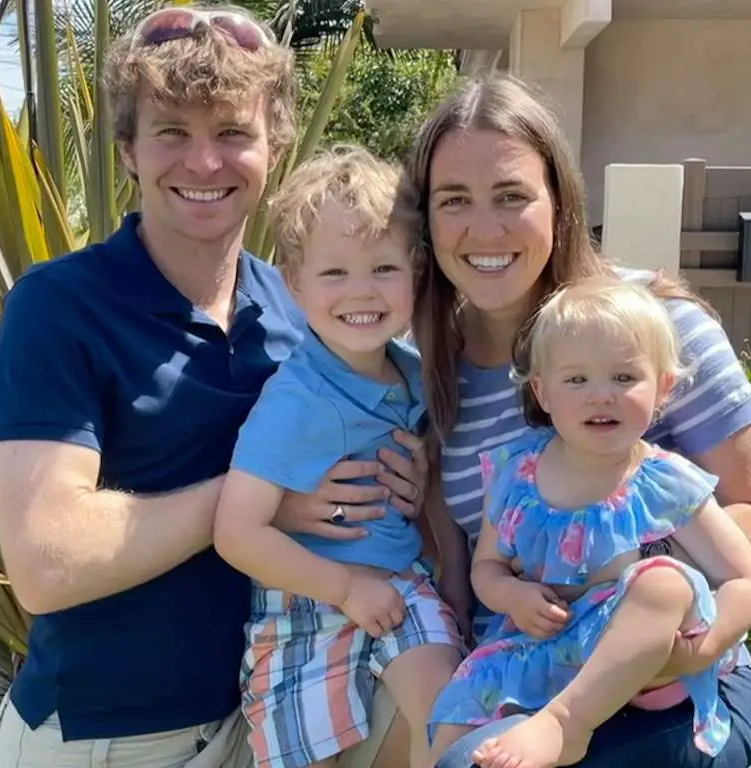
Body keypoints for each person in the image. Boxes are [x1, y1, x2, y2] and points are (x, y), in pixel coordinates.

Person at [0, 6, 427, 767]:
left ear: (274, 146)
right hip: (105, 738)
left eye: (232, 133)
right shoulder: (60, 306)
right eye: (172, 133)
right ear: (127, 150)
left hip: (272, 718)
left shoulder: (305, 308)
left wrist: (404, 482)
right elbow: (47, 563)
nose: (204, 162)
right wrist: (261, 500)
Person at [406, 74, 751, 767]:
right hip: (528, 675)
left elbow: (746, 511)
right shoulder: (425, 370)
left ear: (559, 204)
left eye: (512, 196)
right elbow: (466, 569)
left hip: (671, 681)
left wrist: (688, 636)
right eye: (455, 202)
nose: (485, 227)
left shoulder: (655, 331)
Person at [426, 276, 751, 768]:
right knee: (451, 730)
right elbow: (487, 567)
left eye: (624, 379)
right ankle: (543, 722)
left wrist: (704, 649)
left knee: (664, 584)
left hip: (642, 661)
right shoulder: (518, 475)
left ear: (662, 387)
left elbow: (742, 577)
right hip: (546, 648)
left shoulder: (663, 481)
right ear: (543, 391)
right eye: (576, 380)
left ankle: (567, 724)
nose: (601, 396)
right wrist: (513, 594)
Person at [213, 147, 464, 768]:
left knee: (452, 716)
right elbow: (235, 532)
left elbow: (427, 476)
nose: (362, 292)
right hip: (304, 603)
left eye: (383, 268)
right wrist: (343, 586)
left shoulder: (414, 373)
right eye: (334, 274)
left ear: (415, 273)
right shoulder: (294, 399)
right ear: (293, 285)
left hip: (401, 585)